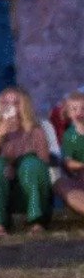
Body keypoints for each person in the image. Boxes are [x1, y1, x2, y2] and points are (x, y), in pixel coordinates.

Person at [0, 86, 54, 236]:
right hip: (0, 190)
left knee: (32, 163)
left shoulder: (36, 132)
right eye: (6, 103)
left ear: (24, 106)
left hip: (29, 189)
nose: (10, 107)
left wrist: (16, 167)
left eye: (16, 103)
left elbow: (43, 166)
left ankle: (37, 221)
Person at [54, 91, 84, 219]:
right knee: (61, 185)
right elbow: (69, 162)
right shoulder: (70, 136)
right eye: (74, 109)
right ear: (68, 112)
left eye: (83, 109)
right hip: (79, 176)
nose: (79, 112)